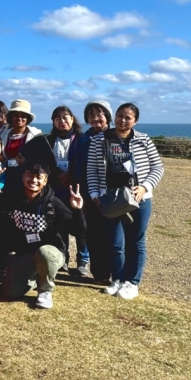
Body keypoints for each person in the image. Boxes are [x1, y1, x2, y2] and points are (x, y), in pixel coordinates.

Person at [0, 161, 85, 310]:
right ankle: (36, 277)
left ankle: (45, 290)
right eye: (30, 175)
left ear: (45, 180)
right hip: (25, 254)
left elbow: (79, 231)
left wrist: (77, 210)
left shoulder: (53, 203)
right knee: (11, 292)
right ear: (23, 177)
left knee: (44, 252)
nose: (34, 180)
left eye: (39, 177)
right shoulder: (14, 198)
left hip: (51, 252)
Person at [87, 103, 164, 300]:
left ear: (135, 121)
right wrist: (95, 194)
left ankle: (132, 282)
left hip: (139, 198)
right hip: (111, 198)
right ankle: (118, 279)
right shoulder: (99, 140)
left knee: (136, 241)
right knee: (114, 242)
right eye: (119, 115)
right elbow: (92, 170)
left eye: (128, 117)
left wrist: (144, 187)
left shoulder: (143, 139)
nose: (122, 120)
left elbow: (158, 167)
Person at [74, 99, 113, 284]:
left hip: (113, 193)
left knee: (113, 235)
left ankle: (117, 273)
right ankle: (100, 274)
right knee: (94, 234)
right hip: (89, 193)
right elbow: (78, 167)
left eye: (99, 114)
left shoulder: (115, 136)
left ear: (108, 116)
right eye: (91, 115)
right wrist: (82, 194)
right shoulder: (83, 139)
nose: (95, 118)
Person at [46, 105, 88, 275]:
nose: (61, 121)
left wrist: (71, 174)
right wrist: (58, 175)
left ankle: (83, 260)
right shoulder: (48, 140)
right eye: (57, 118)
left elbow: (86, 162)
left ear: (72, 119)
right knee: (60, 222)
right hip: (56, 187)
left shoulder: (82, 138)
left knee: (81, 223)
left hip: (78, 187)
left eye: (65, 117)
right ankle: (63, 257)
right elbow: (46, 163)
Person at [0, 99, 47, 194]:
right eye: (16, 115)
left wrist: (26, 162)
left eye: (23, 116)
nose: (19, 118)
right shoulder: (4, 135)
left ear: (27, 119)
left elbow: (44, 159)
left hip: (28, 181)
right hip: (7, 179)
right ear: (11, 117)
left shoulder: (36, 136)